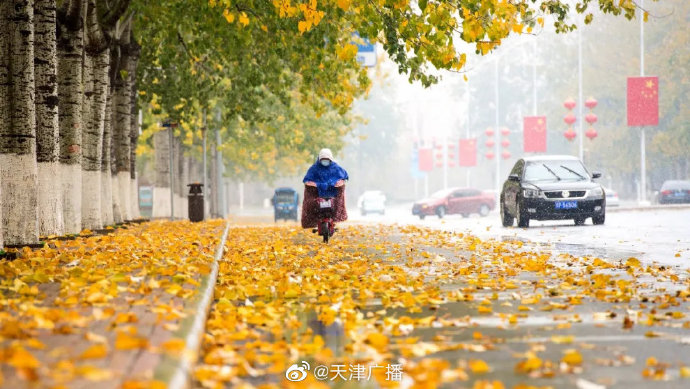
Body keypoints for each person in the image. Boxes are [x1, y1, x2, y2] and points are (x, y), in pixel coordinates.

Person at [301, 148, 349, 229]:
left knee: (337, 203)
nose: (325, 161)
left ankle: (334, 219)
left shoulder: (336, 168)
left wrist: (339, 183)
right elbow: (307, 179)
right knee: (312, 205)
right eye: (323, 159)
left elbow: (343, 176)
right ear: (320, 159)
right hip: (317, 194)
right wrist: (312, 184)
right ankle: (313, 221)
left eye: (327, 159)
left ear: (331, 159)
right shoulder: (314, 168)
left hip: (333, 193)